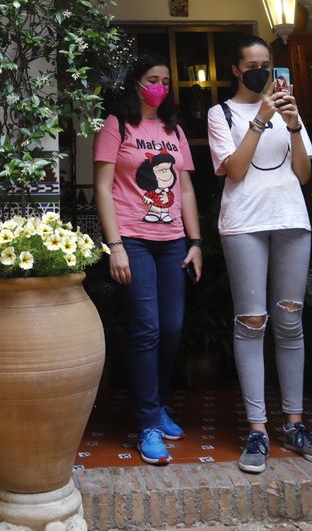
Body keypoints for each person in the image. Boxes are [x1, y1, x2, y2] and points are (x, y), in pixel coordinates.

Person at [206, 36, 312, 474]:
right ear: (237, 70)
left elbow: (303, 174)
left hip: (291, 220)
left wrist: (293, 125)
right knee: (252, 322)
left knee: (290, 320)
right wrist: (261, 118)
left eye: (267, 64)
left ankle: (295, 423)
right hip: (243, 223)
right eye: (252, 64)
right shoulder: (220, 113)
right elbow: (235, 170)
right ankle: (257, 429)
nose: (261, 70)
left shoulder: (288, 110)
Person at [94, 53, 201, 465]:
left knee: (172, 328)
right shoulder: (116, 125)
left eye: (166, 80)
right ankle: (148, 424)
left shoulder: (173, 129)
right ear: (136, 83)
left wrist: (196, 242)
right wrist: (115, 245)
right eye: (153, 79)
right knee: (146, 330)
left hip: (173, 240)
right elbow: (103, 188)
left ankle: (155, 405)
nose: (160, 86)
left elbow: (187, 190)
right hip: (134, 240)